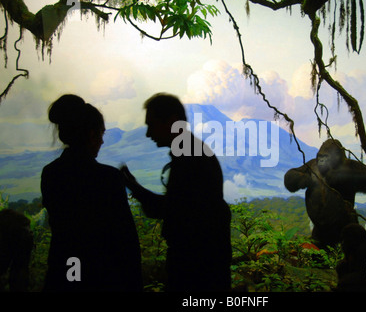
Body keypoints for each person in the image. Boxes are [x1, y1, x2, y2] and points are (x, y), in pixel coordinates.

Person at [120, 93, 232, 292]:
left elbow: (169, 209)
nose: (148, 134)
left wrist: (134, 187)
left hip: (194, 264)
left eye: (151, 125)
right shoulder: (194, 152)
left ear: (171, 122)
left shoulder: (189, 157)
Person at [40, 94, 142, 292]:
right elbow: (125, 240)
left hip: (64, 269)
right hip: (100, 275)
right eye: (102, 134)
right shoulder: (107, 177)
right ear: (92, 135)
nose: (102, 142)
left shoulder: (51, 173)